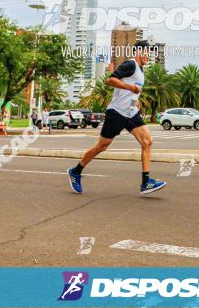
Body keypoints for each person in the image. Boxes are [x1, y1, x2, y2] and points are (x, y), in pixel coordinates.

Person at [67, 40, 166, 195]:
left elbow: (134, 89)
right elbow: (111, 80)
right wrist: (130, 88)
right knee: (102, 145)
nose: (149, 56)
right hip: (117, 112)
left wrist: (136, 98)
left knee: (147, 141)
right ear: (139, 51)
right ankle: (75, 171)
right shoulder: (130, 65)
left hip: (131, 113)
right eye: (147, 52)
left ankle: (146, 182)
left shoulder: (140, 69)